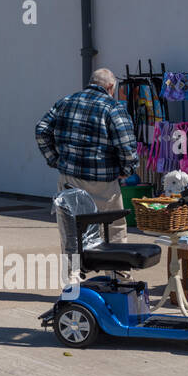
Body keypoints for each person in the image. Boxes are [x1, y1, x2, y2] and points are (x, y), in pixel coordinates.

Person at [35, 68, 139, 258]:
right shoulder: (113, 107)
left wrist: (54, 159)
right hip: (103, 182)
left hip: (69, 178)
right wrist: (127, 170)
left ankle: (72, 281)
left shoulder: (65, 102)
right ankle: (118, 279)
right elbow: (126, 145)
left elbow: (41, 129)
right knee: (113, 230)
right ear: (110, 87)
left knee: (71, 230)